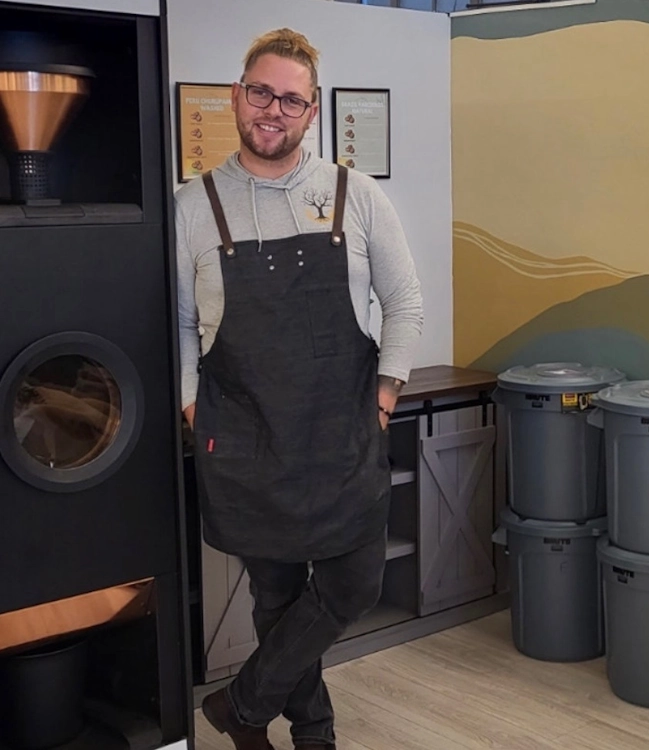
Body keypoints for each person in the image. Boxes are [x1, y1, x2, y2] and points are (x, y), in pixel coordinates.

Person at [174, 28, 423, 750]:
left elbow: (403, 302)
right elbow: (178, 324)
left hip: (342, 431)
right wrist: (191, 402)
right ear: (236, 97)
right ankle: (313, 734)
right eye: (261, 93)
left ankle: (242, 706)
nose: (273, 110)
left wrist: (385, 394)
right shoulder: (193, 208)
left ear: (312, 112)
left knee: (353, 583)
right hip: (247, 440)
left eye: (291, 99)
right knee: (277, 597)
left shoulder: (356, 196)